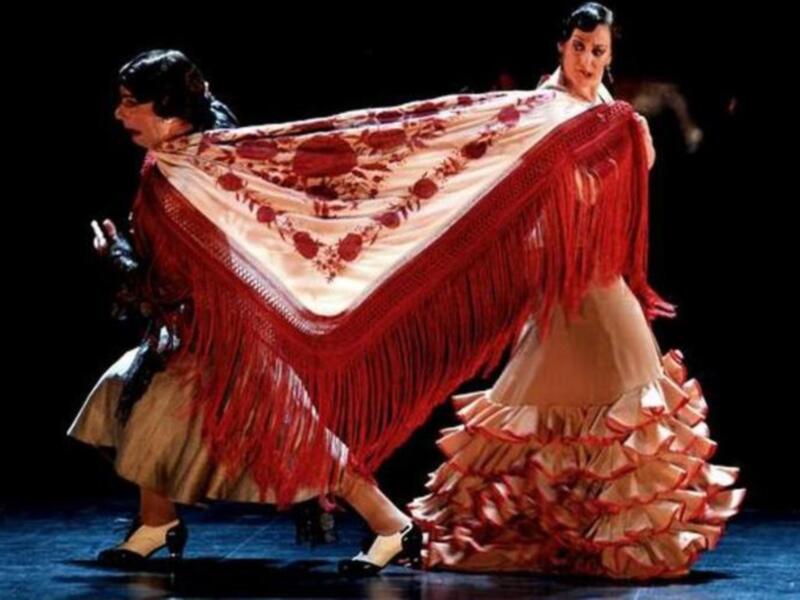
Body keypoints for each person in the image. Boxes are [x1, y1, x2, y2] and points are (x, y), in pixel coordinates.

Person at [408, 3, 745, 579]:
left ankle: (534, 522)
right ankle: (614, 533)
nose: (587, 60)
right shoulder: (543, 108)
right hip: (564, 264)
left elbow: (639, 169)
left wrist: (630, 134)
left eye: (598, 52)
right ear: (560, 47)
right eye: (579, 48)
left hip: (596, 263)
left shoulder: (608, 112)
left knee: (545, 392)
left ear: (610, 58)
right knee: (626, 380)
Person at [69, 49, 419, 572]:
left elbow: (176, 276)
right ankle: (154, 519)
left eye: (128, 104)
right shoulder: (179, 158)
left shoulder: (198, 172)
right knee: (137, 399)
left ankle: (395, 527)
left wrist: (116, 258)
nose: (119, 115)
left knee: (293, 435)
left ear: (165, 107)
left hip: (235, 332)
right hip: (199, 328)